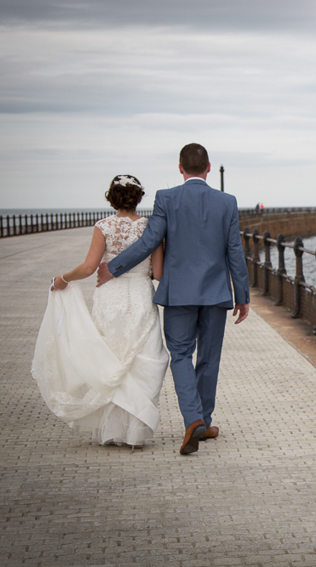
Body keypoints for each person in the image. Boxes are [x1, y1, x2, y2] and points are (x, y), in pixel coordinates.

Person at [97, 143, 250, 456]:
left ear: (180, 169)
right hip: (216, 294)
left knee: (180, 355)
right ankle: (203, 421)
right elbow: (234, 251)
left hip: (178, 294)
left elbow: (149, 241)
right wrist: (242, 295)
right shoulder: (227, 202)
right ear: (208, 168)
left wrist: (113, 267)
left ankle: (194, 419)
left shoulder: (166, 198)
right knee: (209, 358)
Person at [31, 175, 169, 448]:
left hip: (110, 299)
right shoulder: (151, 229)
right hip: (141, 297)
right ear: (138, 198)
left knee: (111, 358)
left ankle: (113, 430)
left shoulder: (103, 227)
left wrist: (62, 279)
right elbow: (159, 273)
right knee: (143, 360)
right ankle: (135, 433)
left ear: (112, 198)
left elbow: (88, 268)